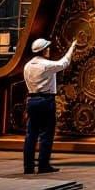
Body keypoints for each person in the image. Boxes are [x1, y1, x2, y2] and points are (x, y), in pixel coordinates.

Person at [23, 36, 77, 174]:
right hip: (45, 101)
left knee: (31, 135)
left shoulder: (27, 66)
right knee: (46, 134)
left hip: (32, 100)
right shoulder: (46, 65)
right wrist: (72, 47)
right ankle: (43, 165)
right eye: (47, 48)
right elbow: (64, 63)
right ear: (43, 51)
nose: (49, 50)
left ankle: (28, 167)